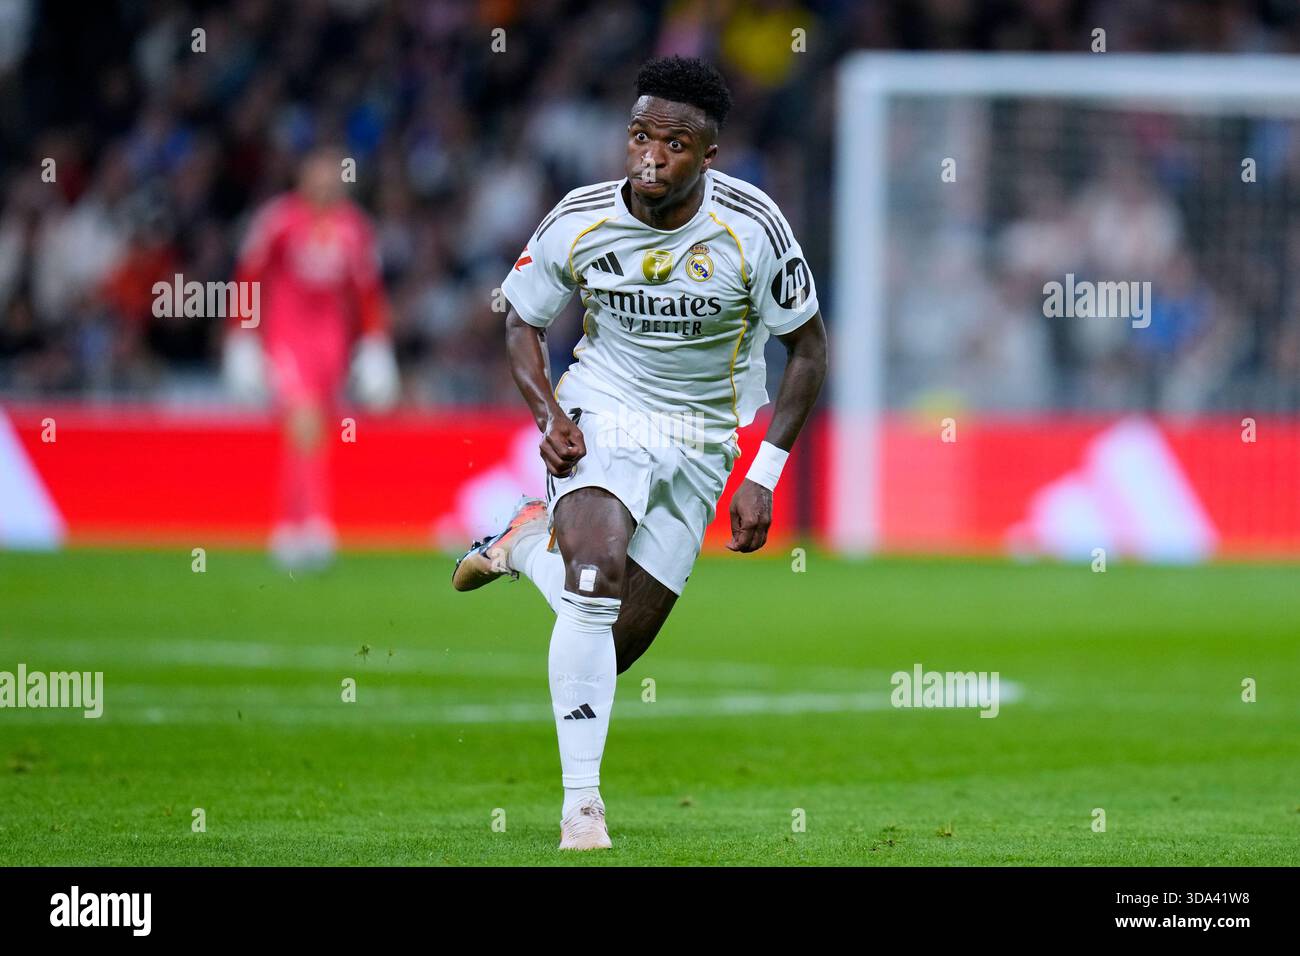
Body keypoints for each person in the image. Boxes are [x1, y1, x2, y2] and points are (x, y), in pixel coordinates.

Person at [452, 56, 826, 849]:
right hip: (606, 405)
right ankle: (581, 808)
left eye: (676, 144)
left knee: (611, 645)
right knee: (594, 574)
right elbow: (521, 320)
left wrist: (763, 473)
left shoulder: (753, 229)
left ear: (709, 154)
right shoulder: (580, 217)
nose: (652, 158)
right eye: (639, 137)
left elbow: (810, 352)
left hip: (704, 435)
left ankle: (521, 547)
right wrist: (550, 413)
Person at [223, 146, 398, 570]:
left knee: (315, 427)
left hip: (330, 339)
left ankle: (297, 524)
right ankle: (306, 524)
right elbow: (249, 276)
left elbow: (367, 292)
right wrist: (241, 337)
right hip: (287, 331)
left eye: (332, 179)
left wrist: (376, 346)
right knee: (303, 420)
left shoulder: (354, 228)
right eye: (317, 178)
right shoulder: (278, 221)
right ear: (302, 179)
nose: (325, 186)